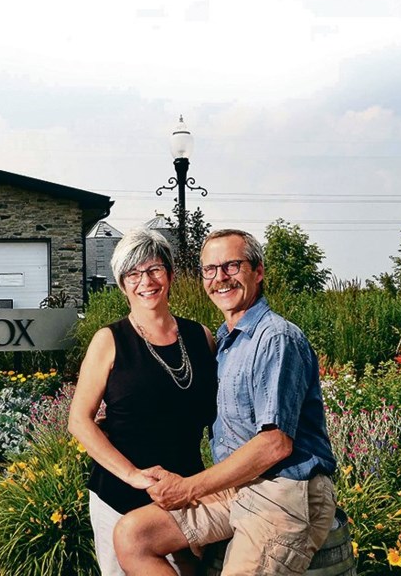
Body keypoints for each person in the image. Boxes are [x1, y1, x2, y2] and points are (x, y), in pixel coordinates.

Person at [113, 229, 338, 576]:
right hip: (237, 487)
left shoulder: (275, 338)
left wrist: (189, 487)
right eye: (210, 269)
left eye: (232, 266)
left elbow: (275, 444)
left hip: (283, 488)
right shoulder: (226, 341)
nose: (220, 278)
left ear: (258, 271)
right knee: (134, 535)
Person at [68, 228, 218, 576]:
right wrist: (134, 475)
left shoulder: (201, 337)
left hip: (185, 491)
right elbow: (79, 420)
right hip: (119, 496)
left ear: (170, 275)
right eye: (133, 274)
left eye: (154, 270)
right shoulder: (109, 340)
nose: (145, 281)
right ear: (122, 284)